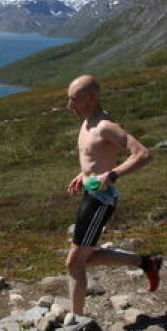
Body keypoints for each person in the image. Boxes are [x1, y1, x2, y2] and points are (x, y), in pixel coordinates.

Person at [64, 74, 161, 316]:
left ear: (91, 98)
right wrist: (83, 174)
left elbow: (142, 154)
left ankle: (76, 322)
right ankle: (145, 262)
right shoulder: (87, 122)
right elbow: (95, 158)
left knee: (74, 263)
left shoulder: (106, 127)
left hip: (100, 199)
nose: (69, 106)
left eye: (74, 99)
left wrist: (112, 175)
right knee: (84, 258)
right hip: (90, 194)